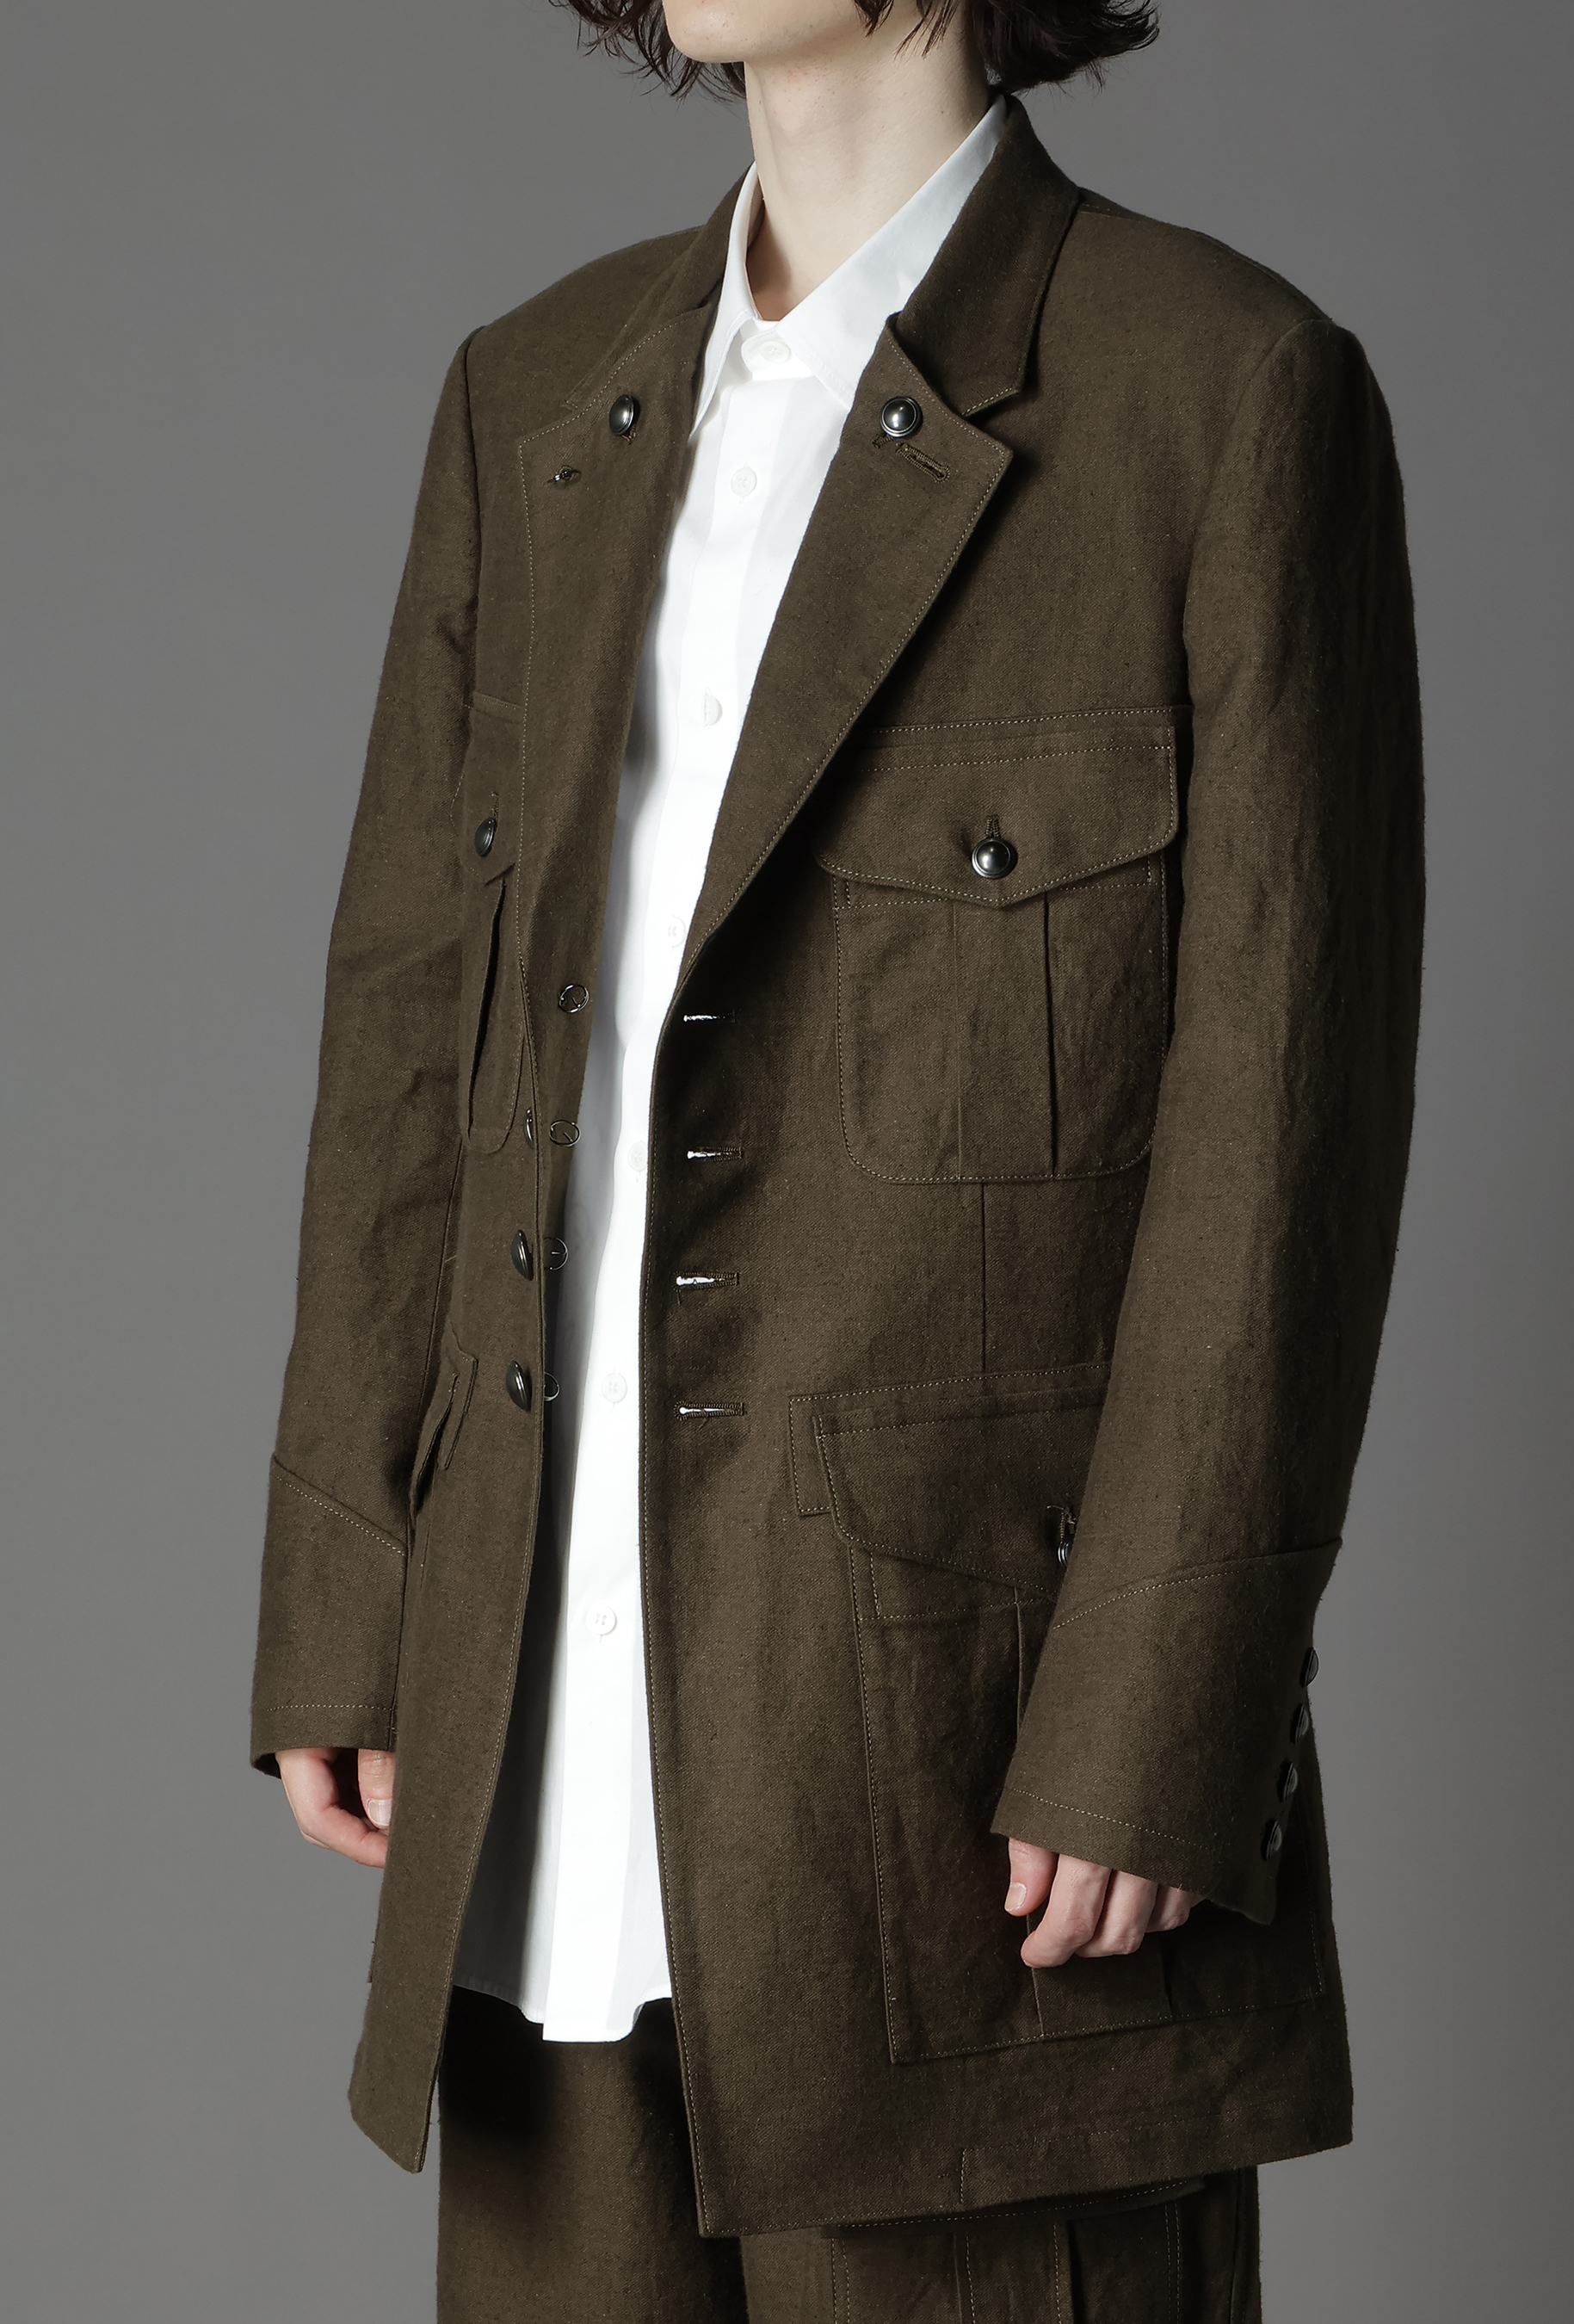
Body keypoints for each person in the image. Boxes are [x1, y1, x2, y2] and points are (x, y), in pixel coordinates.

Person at [251, 0, 1423, 2314]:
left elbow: (1285, 1114)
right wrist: (352, 1589)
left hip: (972, 1794)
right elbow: (408, 1023)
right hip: (543, 1766)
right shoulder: (532, 396)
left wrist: (1161, 1710)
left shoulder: (1221, 390)